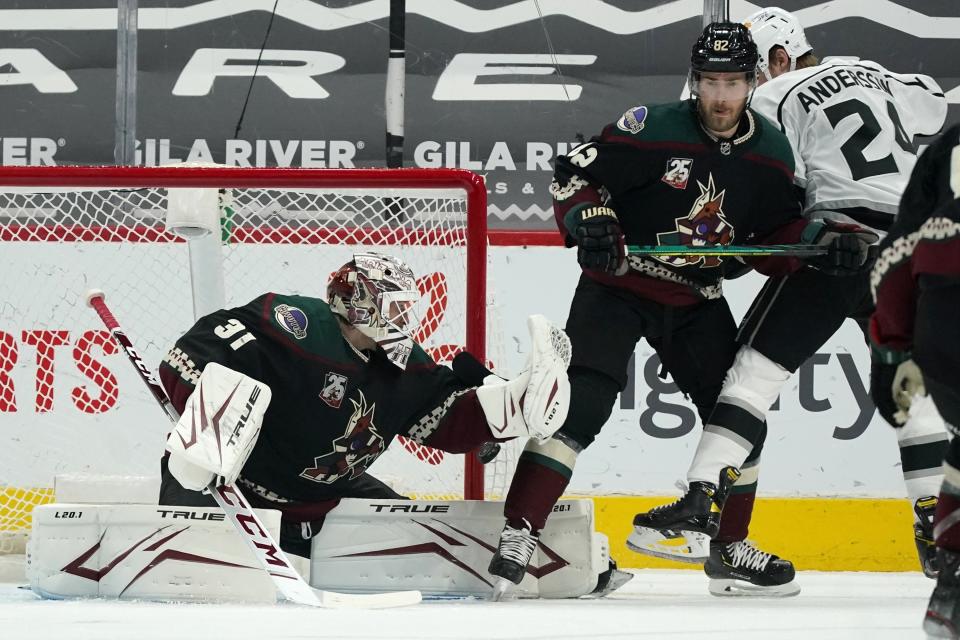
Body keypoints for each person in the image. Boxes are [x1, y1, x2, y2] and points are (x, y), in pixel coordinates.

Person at [487, 21, 876, 593]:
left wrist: (819, 240)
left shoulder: (771, 151)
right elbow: (575, 175)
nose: (721, 97)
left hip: (696, 300)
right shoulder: (650, 128)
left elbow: (774, 235)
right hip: (618, 289)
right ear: (694, 80)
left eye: (734, 82)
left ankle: (728, 551)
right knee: (578, 409)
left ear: (752, 83)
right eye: (711, 82)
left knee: (741, 424)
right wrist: (587, 218)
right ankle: (518, 536)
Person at [630, 6, 948, 596]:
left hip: (842, 246)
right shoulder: (870, 70)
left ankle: (702, 502)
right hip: (913, 250)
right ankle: (938, 527)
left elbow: (765, 180)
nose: (735, 89)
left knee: (752, 371)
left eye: (746, 72)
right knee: (914, 385)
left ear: (774, 62)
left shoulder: (773, 98)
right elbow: (932, 101)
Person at [157, 251, 572, 562]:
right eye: (393, 305)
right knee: (195, 502)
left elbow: (443, 420)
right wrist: (205, 411)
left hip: (325, 497)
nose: (401, 317)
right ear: (358, 301)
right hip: (232, 488)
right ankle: (194, 496)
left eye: (404, 307)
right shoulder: (298, 322)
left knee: (420, 538)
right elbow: (198, 349)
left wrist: (504, 409)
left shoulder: (402, 361)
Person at [869, 124, 960, 638]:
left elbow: (899, 249)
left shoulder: (950, 143)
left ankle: (953, 586)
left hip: (946, 314)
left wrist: (892, 347)